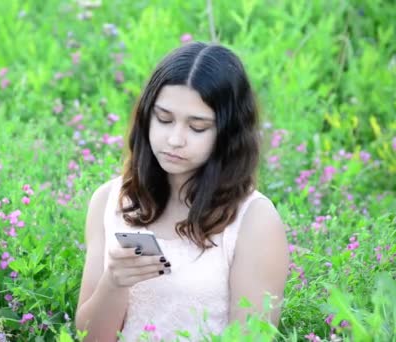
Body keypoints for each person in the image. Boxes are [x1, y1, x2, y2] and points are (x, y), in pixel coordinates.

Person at [74, 41, 290, 341]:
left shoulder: (254, 219)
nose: (175, 139)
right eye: (163, 119)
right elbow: (89, 337)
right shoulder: (110, 202)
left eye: (197, 127)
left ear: (227, 134)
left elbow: (252, 336)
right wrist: (113, 283)